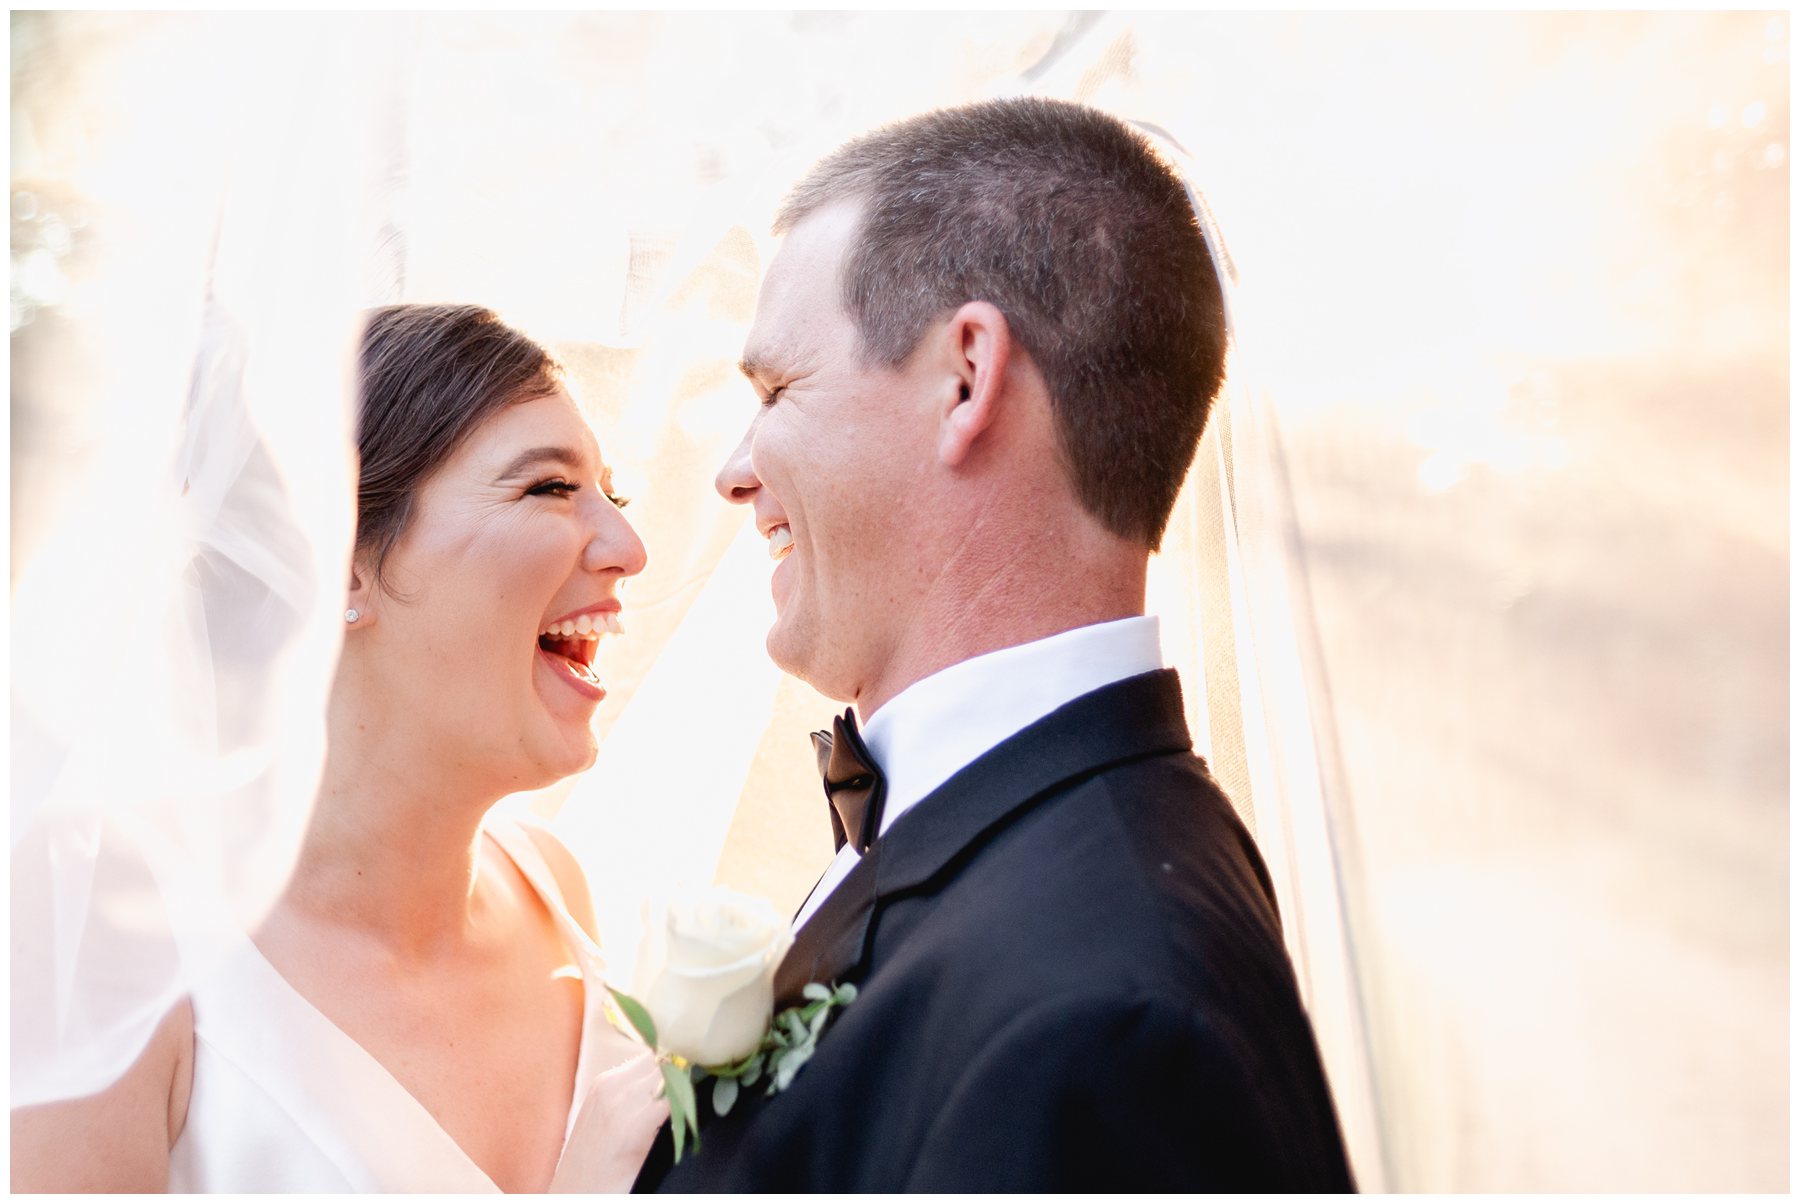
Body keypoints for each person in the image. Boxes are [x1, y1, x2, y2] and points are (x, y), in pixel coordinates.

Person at [643, 97, 1356, 1191]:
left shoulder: (1108, 1025)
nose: (733, 469)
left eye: (779, 387)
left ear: (967, 377)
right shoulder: (1007, 850)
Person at [11, 304, 669, 1192]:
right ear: (337, 559)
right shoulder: (108, 943)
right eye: (548, 489)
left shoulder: (556, 887)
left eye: (613, 496)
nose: (629, 548)